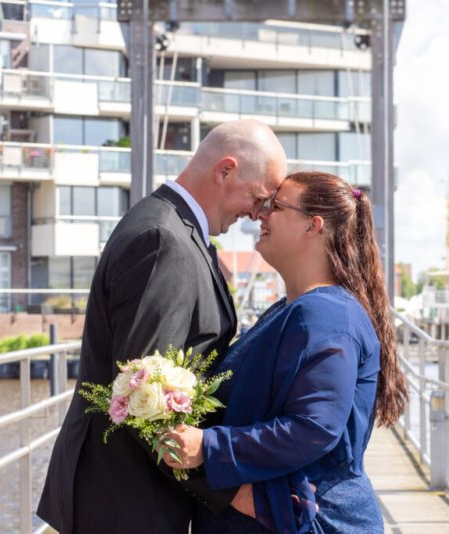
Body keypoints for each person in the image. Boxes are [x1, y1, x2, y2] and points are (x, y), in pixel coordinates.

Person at [37, 119, 287, 533]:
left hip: (134, 493)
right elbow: (143, 397)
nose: (256, 214)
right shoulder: (163, 240)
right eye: (259, 197)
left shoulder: (177, 230)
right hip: (124, 501)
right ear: (225, 171)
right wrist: (234, 495)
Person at [163, 171, 409, 533]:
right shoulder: (294, 308)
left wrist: (209, 446)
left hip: (312, 518)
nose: (260, 215)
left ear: (313, 226)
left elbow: (314, 427)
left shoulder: (326, 314)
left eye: (276, 206)